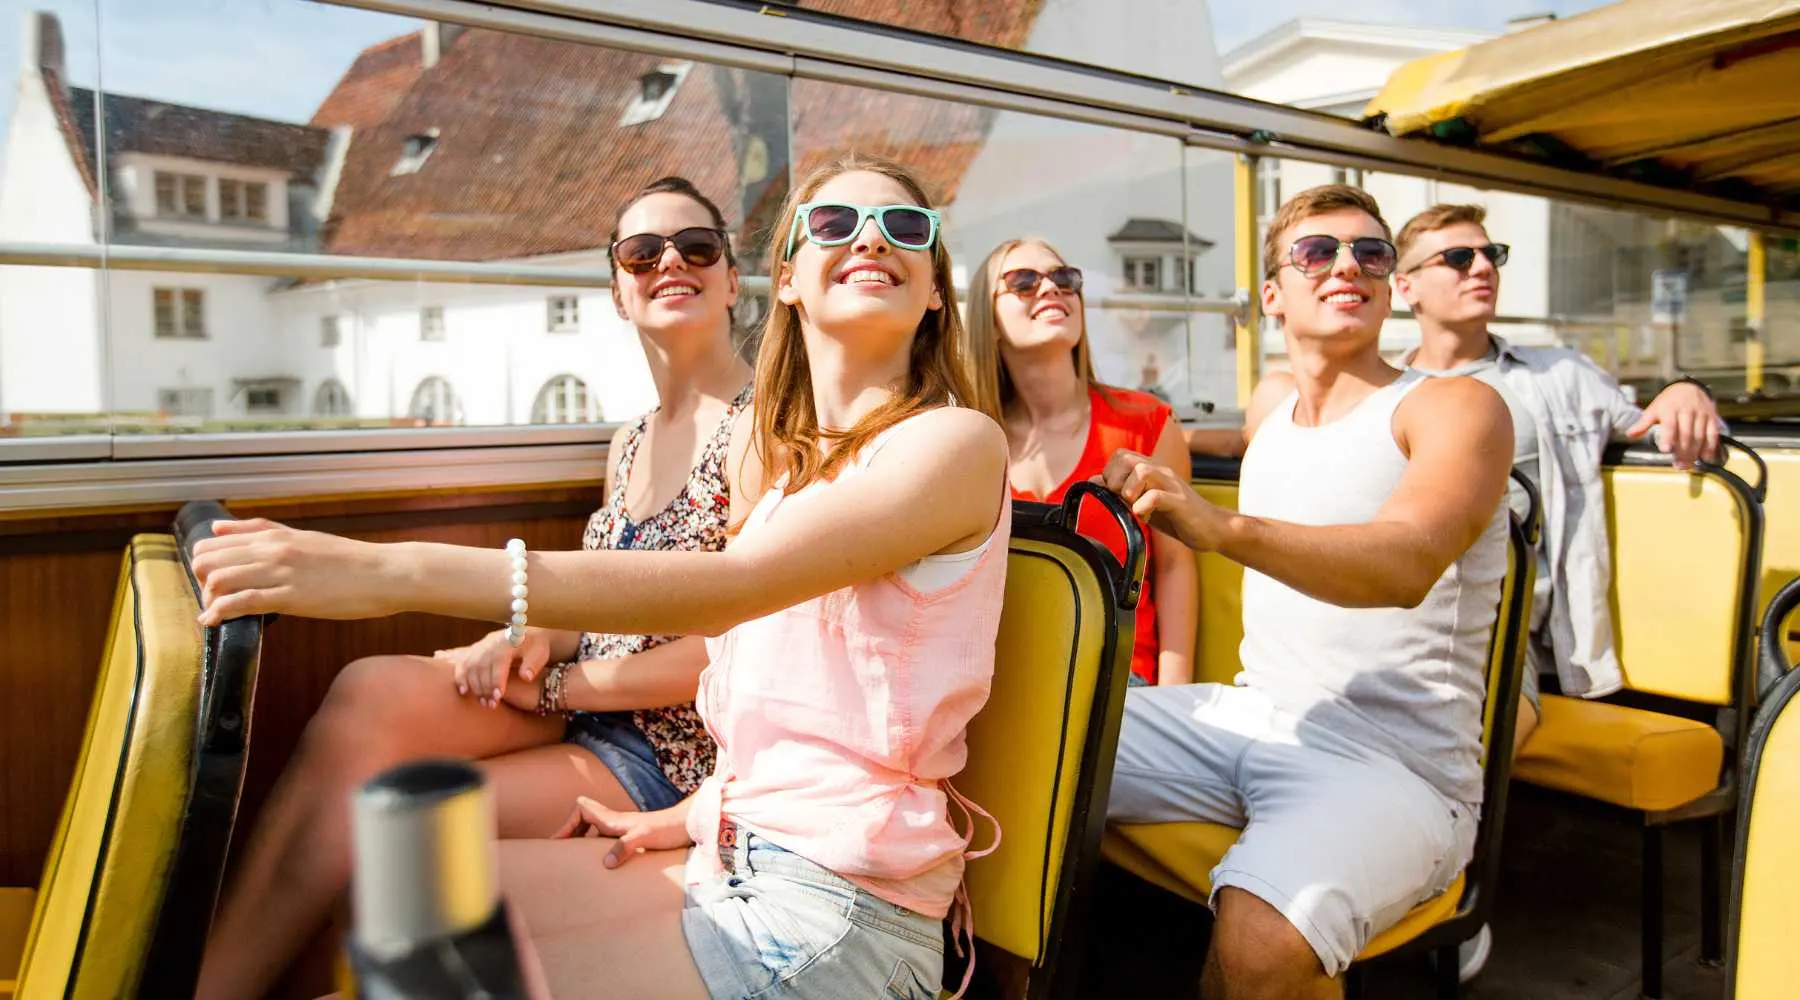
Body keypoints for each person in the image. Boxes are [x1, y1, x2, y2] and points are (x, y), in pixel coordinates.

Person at [191, 155, 1010, 1000]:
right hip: (739, 849)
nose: (870, 239)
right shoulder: (799, 474)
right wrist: (685, 817)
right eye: (834, 225)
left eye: (905, 229)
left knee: (426, 973)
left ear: (937, 289)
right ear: (791, 280)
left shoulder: (952, 444)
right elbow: (782, 703)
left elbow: (734, 592)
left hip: (838, 910)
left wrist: (387, 570)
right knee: (401, 888)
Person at [193, 175, 753, 999]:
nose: (670, 263)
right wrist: (526, 637)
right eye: (642, 253)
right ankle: (204, 982)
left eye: (696, 248)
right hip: (591, 710)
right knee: (372, 689)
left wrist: (560, 687)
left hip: (671, 755)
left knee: (394, 820)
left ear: (733, 279)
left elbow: (737, 648)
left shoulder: (759, 429)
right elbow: (605, 595)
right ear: (618, 293)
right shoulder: (630, 441)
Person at [1099, 184, 1515, 1000]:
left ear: (1393, 283)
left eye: (1371, 253)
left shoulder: (1453, 408)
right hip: (1255, 716)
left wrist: (1217, 529)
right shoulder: (1272, 405)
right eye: (1317, 252)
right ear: (1271, 296)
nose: (1347, 267)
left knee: (1259, 943)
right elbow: (1276, 450)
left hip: (1396, 765)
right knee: (1011, 738)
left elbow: (1404, 562)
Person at [1395, 202, 1724, 753]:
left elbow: (1658, 431)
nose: (1482, 268)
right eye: (1458, 257)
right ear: (1408, 288)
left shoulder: (1558, 375)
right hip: (1400, 608)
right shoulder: (1386, 391)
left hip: (1499, 624)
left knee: (1460, 743)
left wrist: (1686, 388)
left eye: (1490, 254)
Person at [964, 237, 1197, 686]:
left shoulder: (1147, 424)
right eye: (1024, 282)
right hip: (1001, 686)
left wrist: (1176, 697)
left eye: (1064, 279)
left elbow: (1173, 568)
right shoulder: (971, 442)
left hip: (1122, 685)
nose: (1051, 289)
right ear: (987, 319)